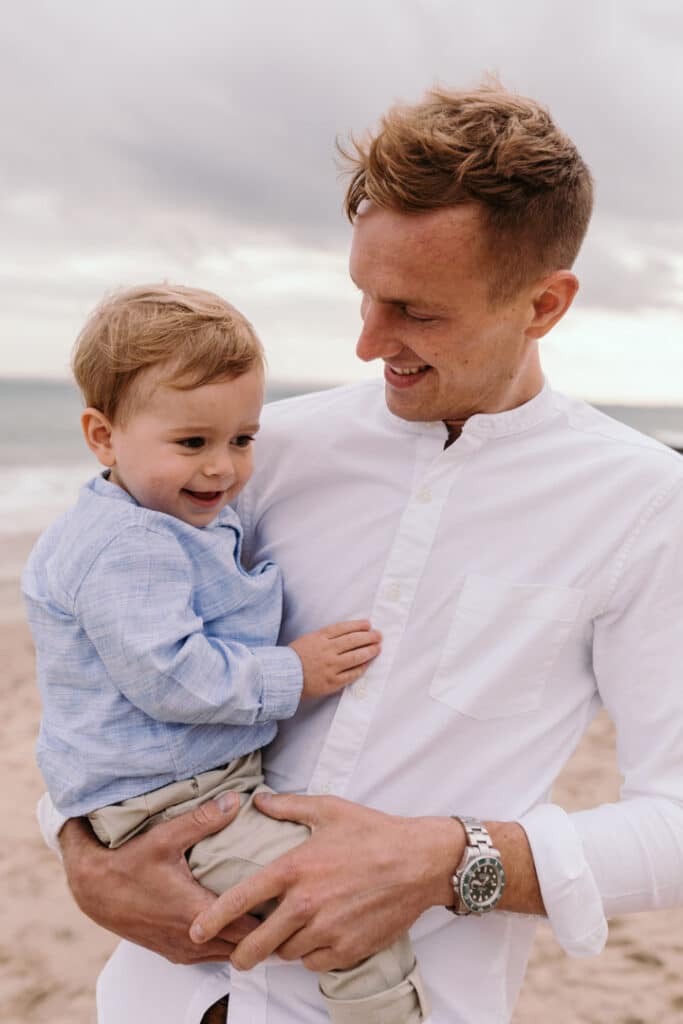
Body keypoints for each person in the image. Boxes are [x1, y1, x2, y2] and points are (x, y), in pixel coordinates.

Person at [39, 84, 683, 1024]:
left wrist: (444, 861)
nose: (367, 341)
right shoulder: (252, 456)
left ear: (543, 304)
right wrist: (77, 853)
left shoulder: (643, 504)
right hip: (159, 1000)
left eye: (415, 311)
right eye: (364, 297)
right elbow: (100, 651)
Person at [24, 284, 430, 1023]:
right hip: (165, 805)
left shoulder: (161, 515)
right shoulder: (125, 546)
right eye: (192, 443)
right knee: (346, 909)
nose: (222, 470)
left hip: (191, 786)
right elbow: (168, 676)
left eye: (242, 440)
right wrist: (294, 672)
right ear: (103, 436)